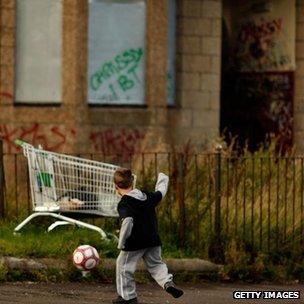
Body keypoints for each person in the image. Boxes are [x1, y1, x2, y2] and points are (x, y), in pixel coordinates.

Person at [112, 168, 184, 304]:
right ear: (133, 181)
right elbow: (160, 193)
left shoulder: (125, 203)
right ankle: (168, 283)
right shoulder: (146, 196)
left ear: (115, 186)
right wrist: (163, 177)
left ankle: (128, 297)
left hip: (134, 243)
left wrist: (121, 243)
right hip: (152, 240)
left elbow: (127, 222)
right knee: (156, 265)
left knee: (123, 266)